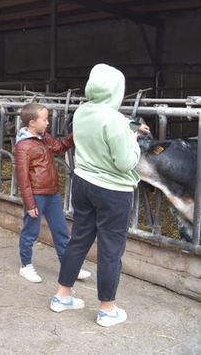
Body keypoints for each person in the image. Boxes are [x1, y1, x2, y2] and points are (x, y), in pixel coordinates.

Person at [50, 64, 150, 328]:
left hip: (83, 183)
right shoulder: (115, 120)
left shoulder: (82, 111)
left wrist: (130, 128)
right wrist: (135, 142)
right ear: (117, 89)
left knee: (79, 239)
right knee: (110, 250)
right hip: (113, 191)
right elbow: (124, 162)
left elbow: (101, 126)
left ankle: (62, 296)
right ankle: (107, 310)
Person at [14, 103, 90, 284]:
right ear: (32, 122)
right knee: (30, 232)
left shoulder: (44, 138)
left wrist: (77, 133)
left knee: (61, 231)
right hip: (37, 195)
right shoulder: (23, 146)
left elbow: (60, 146)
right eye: (44, 119)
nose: (48, 123)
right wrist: (29, 203)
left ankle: (69, 266)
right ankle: (25, 266)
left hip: (52, 193)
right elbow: (22, 178)